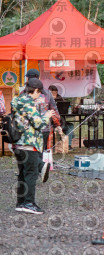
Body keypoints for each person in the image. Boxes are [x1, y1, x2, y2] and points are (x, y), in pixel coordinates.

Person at [12, 78, 55, 214]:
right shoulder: (29, 103)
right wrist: (47, 116)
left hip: (18, 143)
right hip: (29, 143)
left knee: (22, 173)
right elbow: (38, 124)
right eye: (39, 92)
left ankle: (21, 202)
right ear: (35, 90)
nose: (40, 95)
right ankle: (29, 203)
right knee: (31, 173)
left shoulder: (17, 100)